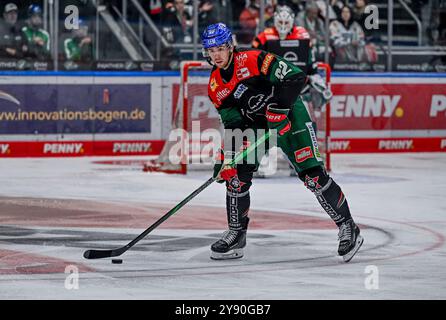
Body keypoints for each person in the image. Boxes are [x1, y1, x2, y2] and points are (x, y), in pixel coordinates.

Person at [202, 23, 363, 262]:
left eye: (220, 48)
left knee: (313, 177)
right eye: (211, 50)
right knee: (235, 176)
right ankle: (237, 234)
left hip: (290, 116)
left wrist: (279, 108)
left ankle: (348, 227)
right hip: (257, 127)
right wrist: (228, 156)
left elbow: (296, 77)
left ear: (231, 46)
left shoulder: (253, 59)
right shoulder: (216, 87)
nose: (216, 55)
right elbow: (233, 124)